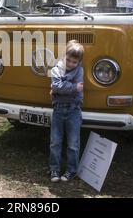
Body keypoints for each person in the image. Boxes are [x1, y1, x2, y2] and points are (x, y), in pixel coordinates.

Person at [49, 40, 84, 182]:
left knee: (73, 144)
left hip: (74, 110)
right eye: (68, 60)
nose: (70, 64)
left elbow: (77, 93)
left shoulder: (80, 71)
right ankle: (54, 170)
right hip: (58, 110)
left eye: (74, 62)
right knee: (55, 142)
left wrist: (58, 88)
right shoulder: (56, 69)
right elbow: (56, 86)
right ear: (64, 56)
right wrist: (73, 87)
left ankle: (71, 170)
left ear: (79, 62)